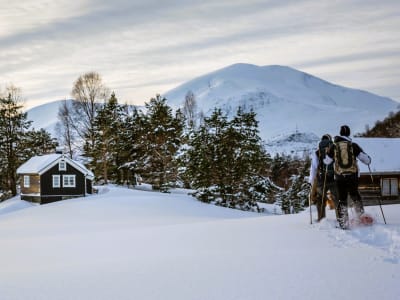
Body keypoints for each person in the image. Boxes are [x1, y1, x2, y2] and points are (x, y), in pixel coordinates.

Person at [324, 125, 371, 229]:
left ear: (340, 134)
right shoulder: (353, 145)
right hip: (353, 176)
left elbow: (326, 161)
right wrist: (367, 158)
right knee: (355, 195)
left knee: (342, 199)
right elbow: (366, 160)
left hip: (339, 177)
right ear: (349, 133)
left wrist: (328, 153)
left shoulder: (334, 146)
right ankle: (360, 217)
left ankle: (343, 223)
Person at [309, 134, 338, 221]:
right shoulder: (335, 150)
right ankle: (341, 219)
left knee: (320, 199)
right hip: (334, 178)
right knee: (337, 199)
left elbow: (313, 168)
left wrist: (311, 181)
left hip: (321, 178)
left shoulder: (317, 152)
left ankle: (321, 219)